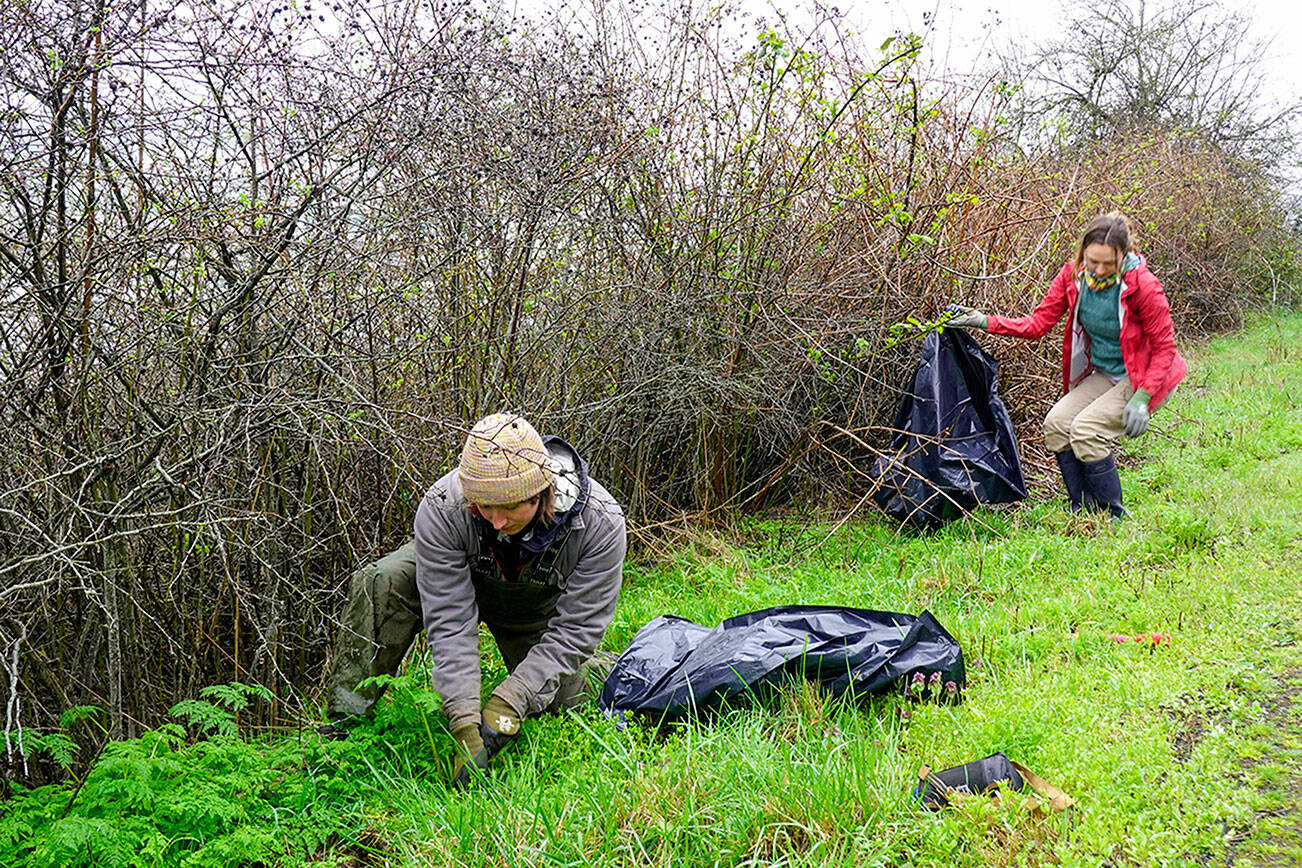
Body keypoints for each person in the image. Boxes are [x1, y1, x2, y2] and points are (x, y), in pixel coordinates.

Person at [322, 413, 627, 784]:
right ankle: (343, 733)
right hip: (464, 583)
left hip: (533, 611)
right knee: (383, 581)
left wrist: (509, 705)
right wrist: (465, 723)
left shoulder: (600, 522)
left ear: (541, 492)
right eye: (484, 507)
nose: (496, 522)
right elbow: (450, 621)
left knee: (566, 702)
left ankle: (604, 668)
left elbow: (574, 631)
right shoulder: (444, 505)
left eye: (511, 508)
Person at [947, 212, 1187, 517]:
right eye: (1092, 261)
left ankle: (1112, 516)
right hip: (1106, 372)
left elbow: (1165, 349)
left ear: (1123, 254)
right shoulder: (1072, 278)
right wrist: (983, 321)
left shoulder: (1143, 286)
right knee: (1057, 425)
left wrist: (1142, 397)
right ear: (1082, 253)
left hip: (1143, 374)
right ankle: (1082, 508)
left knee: (1087, 430)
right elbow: (1037, 324)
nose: (1099, 270)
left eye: (1109, 263)